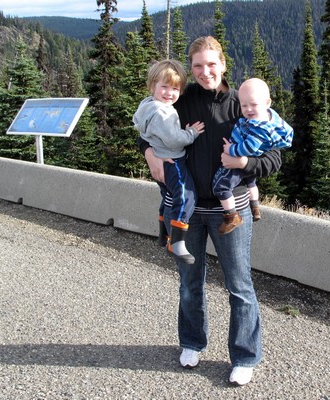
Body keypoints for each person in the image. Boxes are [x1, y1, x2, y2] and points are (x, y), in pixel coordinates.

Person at [137, 36, 281, 386]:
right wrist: (148, 153)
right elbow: (148, 132)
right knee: (189, 282)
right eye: (198, 65)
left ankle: (245, 356)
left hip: (231, 211)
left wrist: (244, 161)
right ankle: (191, 342)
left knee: (239, 285)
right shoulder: (179, 103)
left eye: (211, 64)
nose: (205, 72)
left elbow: (274, 157)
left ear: (223, 64)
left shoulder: (241, 103)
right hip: (185, 210)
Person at [133, 59, 205, 264]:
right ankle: (177, 242)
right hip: (173, 160)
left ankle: (163, 233)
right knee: (185, 196)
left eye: (175, 88)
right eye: (164, 87)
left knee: (168, 196)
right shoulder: (163, 112)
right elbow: (174, 139)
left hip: (161, 159)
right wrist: (191, 133)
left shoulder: (147, 105)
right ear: (152, 86)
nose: (169, 93)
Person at [212, 77, 293, 234]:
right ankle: (255, 206)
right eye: (244, 106)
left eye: (254, 105)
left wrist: (231, 151)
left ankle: (231, 216)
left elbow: (249, 148)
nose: (248, 109)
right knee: (251, 182)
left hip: (236, 165)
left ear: (267, 103)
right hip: (245, 172)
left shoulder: (259, 127)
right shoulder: (269, 119)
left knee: (220, 187)